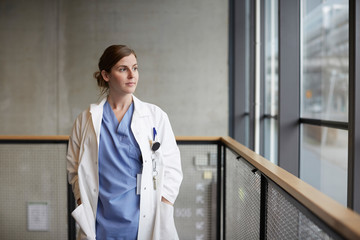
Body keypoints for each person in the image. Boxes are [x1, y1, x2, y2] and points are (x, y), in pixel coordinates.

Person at [66, 45, 183, 240]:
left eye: (135, 68)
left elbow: (172, 167)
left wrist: (164, 204)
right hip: (100, 220)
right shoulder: (86, 119)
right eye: (123, 69)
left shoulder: (155, 116)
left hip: (143, 219)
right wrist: (81, 201)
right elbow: (74, 167)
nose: (132, 75)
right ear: (106, 75)